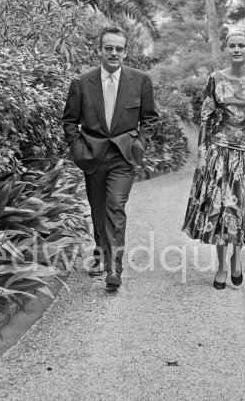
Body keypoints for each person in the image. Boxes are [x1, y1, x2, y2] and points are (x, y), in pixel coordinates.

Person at [63, 26, 158, 291]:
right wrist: (79, 149)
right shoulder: (82, 82)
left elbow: (149, 118)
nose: (114, 53)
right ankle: (100, 250)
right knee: (98, 208)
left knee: (115, 205)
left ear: (125, 52)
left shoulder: (140, 80)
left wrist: (139, 144)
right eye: (109, 48)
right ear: (100, 50)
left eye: (119, 48)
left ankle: (113, 268)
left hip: (124, 156)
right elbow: (69, 121)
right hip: (92, 156)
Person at [182, 29, 245, 289]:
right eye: (232, 45)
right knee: (219, 211)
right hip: (218, 153)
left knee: (241, 210)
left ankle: (236, 259)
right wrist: (201, 154)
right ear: (226, 48)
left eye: (241, 45)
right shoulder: (215, 78)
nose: (236, 49)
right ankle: (221, 265)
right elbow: (206, 117)